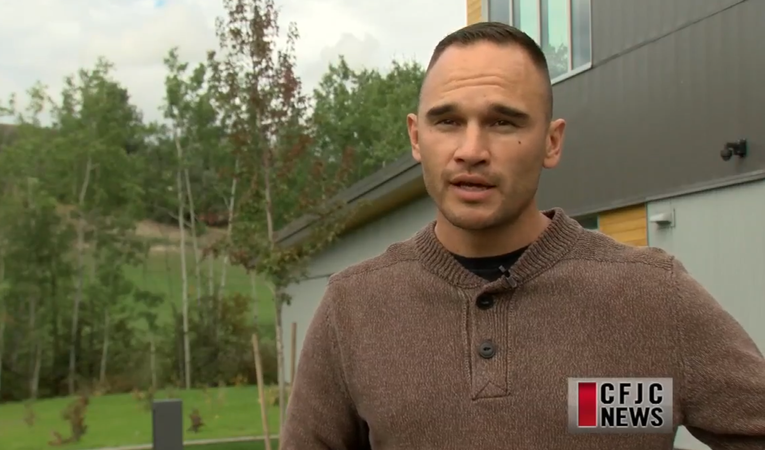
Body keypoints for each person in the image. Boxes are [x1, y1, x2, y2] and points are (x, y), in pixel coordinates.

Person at [280, 21, 765, 449]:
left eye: (502, 122)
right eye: (447, 121)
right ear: (416, 137)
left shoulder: (653, 296)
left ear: (551, 142)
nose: (471, 150)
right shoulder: (354, 307)